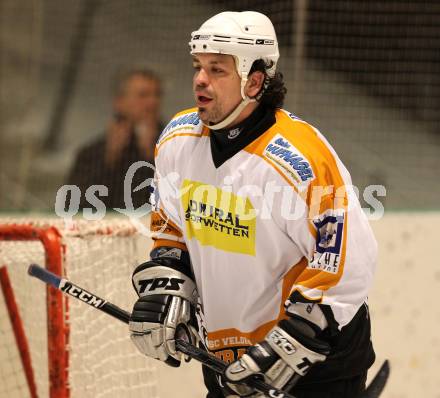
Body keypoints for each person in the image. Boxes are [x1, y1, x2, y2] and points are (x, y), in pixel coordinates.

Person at [128, 11, 377, 398]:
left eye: (217, 69)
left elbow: (344, 263)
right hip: (228, 360)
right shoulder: (177, 141)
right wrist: (169, 282)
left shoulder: (300, 159)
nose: (199, 79)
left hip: (312, 367)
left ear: (255, 80)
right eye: (198, 66)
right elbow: (171, 226)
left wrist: (295, 338)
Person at [67, 68, 162, 210]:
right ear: (120, 102)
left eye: (157, 95)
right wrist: (109, 159)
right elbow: (73, 207)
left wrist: (152, 157)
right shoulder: (92, 154)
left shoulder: (176, 146)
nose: (152, 102)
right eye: (143, 95)